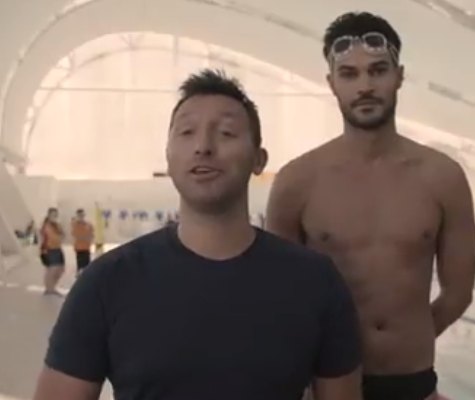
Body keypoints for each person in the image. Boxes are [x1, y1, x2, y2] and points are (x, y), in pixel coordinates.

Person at [33, 69, 362, 400]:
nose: (203, 147)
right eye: (187, 132)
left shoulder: (314, 282)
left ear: (258, 160)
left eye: (226, 133)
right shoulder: (108, 281)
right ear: (168, 158)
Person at [266, 12, 475, 400]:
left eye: (378, 71)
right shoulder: (297, 182)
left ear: (399, 76)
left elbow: (458, 294)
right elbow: (279, 300)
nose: (364, 86)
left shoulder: (443, 177)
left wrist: (411, 338)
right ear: (332, 83)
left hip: (412, 381)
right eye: (349, 74)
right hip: (326, 388)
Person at [39, 207, 66, 296]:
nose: (54, 216)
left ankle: (51, 287)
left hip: (57, 248)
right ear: (49, 215)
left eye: (56, 215)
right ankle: (49, 289)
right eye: (52, 215)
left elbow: (63, 235)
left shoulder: (57, 225)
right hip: (49, 249)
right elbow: (53, 237)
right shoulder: (46, 226)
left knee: (61, 269)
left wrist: (60, 236)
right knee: (52, 269)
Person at [71, 208, 94, 276]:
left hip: (86, 247)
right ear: (77, 216)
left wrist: (88, 239)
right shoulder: (75, 225)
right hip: (79, 248)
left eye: (82, 215)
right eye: (79, 215)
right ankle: (79, 276)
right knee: (80, 266)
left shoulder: (88, 224)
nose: (81, 217)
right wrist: (85, 237)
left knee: (87, 266)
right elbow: (76, 235)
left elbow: (91, 235)